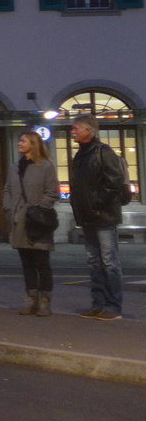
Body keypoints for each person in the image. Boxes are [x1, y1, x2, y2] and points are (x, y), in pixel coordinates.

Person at [69, 113, 127, 320]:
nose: (72, 132)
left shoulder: (103, 152)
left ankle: (113, 306)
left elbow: (114, 182)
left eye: (76, 128)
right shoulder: (81, 155)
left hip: (104, 216)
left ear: (88, 130)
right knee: (94, 262)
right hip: (88, 215)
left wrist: (97, 203)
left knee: (109, 262)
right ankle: (98, 304)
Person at [0, 131, 60, 316]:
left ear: (33, 144)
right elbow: (7, 189)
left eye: (23, 141)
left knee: (42, 262)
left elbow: (52, 192)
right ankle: (31, 299)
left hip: (38, 221)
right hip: (19, 221)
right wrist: (8, 208)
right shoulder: (15, 166)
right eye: (19, 140)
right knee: (27, 263)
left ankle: (45, 301)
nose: (19, 143)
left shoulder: (46, 166)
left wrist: (38, 209)